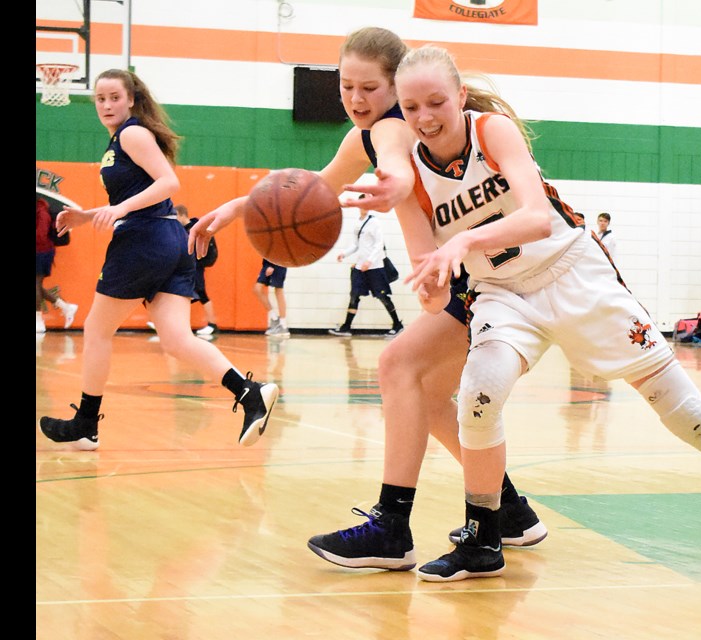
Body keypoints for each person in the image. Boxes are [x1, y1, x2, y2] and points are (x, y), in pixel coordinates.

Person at [378, 44, 701, 582]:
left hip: (574, 274)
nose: (425, 117)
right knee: (478, 393)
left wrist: (463, 241)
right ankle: (483, 538)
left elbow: (538, 219)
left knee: (689, 415)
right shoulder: (409, 179)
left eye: (436, 102)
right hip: (502, 292)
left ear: (458, 97)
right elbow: (429, 290)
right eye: (411, 107)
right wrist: (432, 283)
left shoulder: (491, 130)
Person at [188, 28, 547, 571]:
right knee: (420, 390)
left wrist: (395, 186)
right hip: (475, 271)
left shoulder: (398, 129)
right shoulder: (368, 135)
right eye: (346, 85)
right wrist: (242, 205)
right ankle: (510, 511)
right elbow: (321, 184)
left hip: (500, 275)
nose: (356, 99)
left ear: (396, 86)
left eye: (370, 88)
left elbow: (397, 167)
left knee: (398, 364)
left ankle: (392, 525)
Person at [37, 68, 279, 451]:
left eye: (114, 97)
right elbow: (143, 196)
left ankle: (86, 422)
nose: (106, 105)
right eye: (100, 99)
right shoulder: (122, 140)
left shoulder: (132, 133)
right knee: (178, 339)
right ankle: (249, 392)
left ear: (131, 98)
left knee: (98, 330)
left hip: (144, 240)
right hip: (168, 239)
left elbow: (168, 183)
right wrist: (89, 216)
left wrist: (120, 210)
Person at [329, 198, 404, 337]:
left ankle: (397, 325)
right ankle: (346, 327)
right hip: (360, 267)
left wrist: (369, 261)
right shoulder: (358, 223)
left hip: (375, 267)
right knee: (354, 296)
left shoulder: (374, 222)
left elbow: (379, 244)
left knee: (382, 296)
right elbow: (356, 245)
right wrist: (343, 254)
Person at [173, 204, 220, 337]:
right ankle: (173, 324)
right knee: (184, 295)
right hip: (188, 267)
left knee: (200, 292)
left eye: (176, 216)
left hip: (196, 266)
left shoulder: (195, 228)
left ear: (182, 215)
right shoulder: (182, 230)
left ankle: (212, 324)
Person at [36, 195, 79, 333]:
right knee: (37, 286)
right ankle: (66, 307)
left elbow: (41, 235)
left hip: (42, 252)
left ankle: (38, 321)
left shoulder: (41, 210)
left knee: (36, 285)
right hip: (39, 251)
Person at [254, 258, 290, 337]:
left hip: (279, 263)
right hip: (267, 263)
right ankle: (274, 318)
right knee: (257, 289)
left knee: (278, 290)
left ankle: (283, 325)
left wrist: (272, 265)